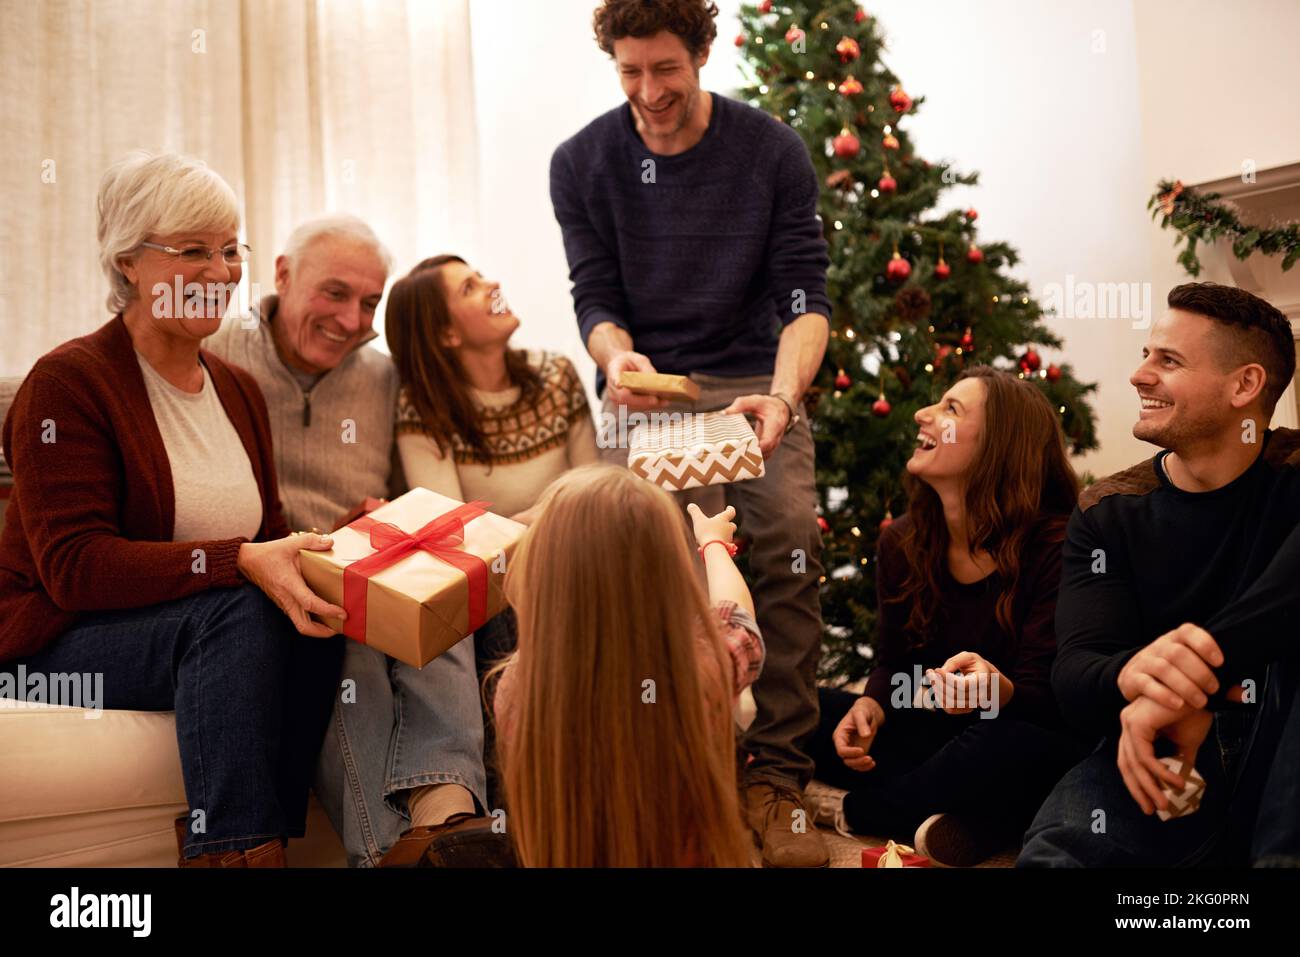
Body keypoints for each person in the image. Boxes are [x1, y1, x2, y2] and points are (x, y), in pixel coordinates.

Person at [0, 151, 344, 866]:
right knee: (240, 606)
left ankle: (379, 835)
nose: (221, 273)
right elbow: (74, 569)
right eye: (193, 251)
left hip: (201, 630)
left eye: (229, 250)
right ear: (128, 261)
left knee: (323, 619)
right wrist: (238, 561)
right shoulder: (67, 383)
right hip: (53, 645)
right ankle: (237, 850)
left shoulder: (240, 390)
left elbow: (268, 536)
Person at [551, 0, 832, 866]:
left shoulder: (769, 149)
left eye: (665, 69)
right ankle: (679, 771)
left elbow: (805, 299)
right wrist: (615, 358)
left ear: (704, 53)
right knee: (651, 567)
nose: (648, 91)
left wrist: (782, 399)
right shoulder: (583, 161)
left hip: (756, 378)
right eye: (630, 72)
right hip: (651, 391)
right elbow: (594, 296)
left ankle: (777, 776)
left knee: (783, 545)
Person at [205, 220, 497, 867]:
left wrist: (384, 514)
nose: (350, 319)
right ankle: (386, 852)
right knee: (352, 642)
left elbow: (411, 492)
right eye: (334, 294)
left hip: (363, 557)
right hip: (272, 572)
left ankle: (448, 818)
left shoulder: (384, 377)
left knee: (444, 609)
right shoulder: (216, 355)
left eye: (369, 303)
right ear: (281, 275)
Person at [1020, 283, 1300, 867]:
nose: (1139, 375)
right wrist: (1132, 675)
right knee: (1060, 856)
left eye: (1167, 361)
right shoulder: (1109, 508)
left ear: (1244, 385)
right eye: (1147, 355)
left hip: (1281, 742)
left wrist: (1191, 675)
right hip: (1159, 748)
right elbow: (1075, 673)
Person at [804, 367, 1087, 865]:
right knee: (803, 707)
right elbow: (894, 663)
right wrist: (870, 704)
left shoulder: (1058, 544)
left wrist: (998, 690)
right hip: (936, 733)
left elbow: (1056, 701)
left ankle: (858, 811)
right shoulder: (902, 540)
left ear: (1000, 445)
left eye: (951, 409)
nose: (922, 413)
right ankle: (975, 825)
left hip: (1017, 733)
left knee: (1007, 743)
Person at [385, 254, 600, 810]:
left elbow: (593, 494)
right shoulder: (424, 407)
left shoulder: (555, 376)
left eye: (483, 276)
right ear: (446, 333)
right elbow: (455, 535)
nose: (494, 284)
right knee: (494, 597)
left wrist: (524, 523)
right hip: (498, 586)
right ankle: (513, 810)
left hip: (575, 562)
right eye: (471, 287)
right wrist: (550, 510)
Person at [489, 465, 763, 867]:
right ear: (669, 572)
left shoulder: (516, 689)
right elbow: (739, 621)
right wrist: (713, 545)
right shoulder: (700, 672)